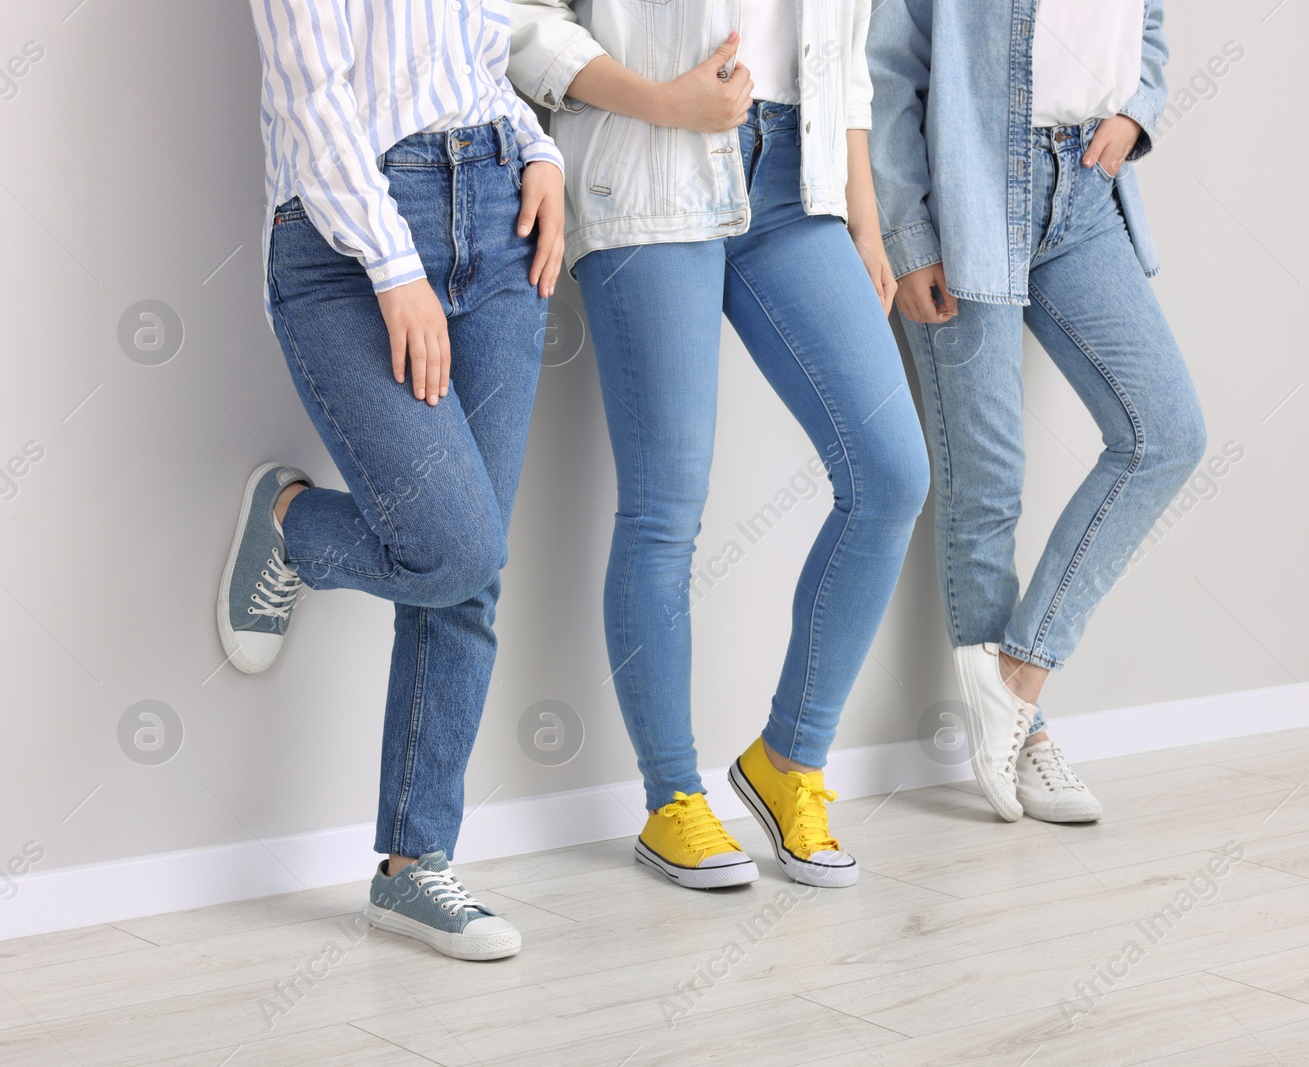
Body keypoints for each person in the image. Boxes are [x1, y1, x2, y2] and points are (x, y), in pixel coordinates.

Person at [508, 1, 930, 890]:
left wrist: (863, 210)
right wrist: (660, 102)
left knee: (892, 471)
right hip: (650, 158)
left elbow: (845, 46)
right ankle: (672, 798)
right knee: (667, 507)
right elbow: (519, 17)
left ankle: (791, 759)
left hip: (797, 173)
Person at [217, 0, 567, 960]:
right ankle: (290, 523)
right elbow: (310, 97)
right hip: (346, 236)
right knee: (458, 545)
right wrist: (393, 265)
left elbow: (480, 54)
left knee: (473, 568)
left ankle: (415, 866)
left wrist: (541, 151)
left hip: (501, 214)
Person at [869, 0, 1206, 823]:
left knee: (1166, 433)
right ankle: (1030, 739)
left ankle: (1016, 681)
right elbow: (884, 69)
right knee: (987, 483)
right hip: (969, 190)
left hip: (1087, 186)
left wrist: (1138, 108)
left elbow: (1146, 24)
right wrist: (907, 233)